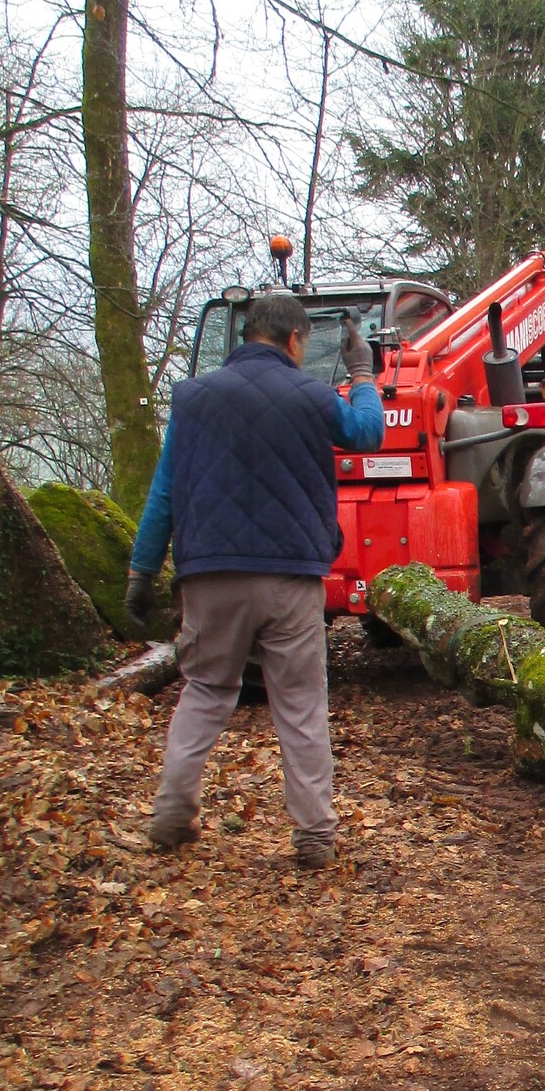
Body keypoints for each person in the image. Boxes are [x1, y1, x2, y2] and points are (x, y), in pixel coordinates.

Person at [125, 289, 384, 867]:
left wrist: (141, 571)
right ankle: (314, 835)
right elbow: (368, 434)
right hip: (290, 576)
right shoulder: (311, 396)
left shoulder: (192, 398)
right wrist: (362, 373)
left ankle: (172, 813)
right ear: (294, 340)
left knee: (206, 690)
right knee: (300, 704)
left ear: (246, 336)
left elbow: (164, 491)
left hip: (209, 574)